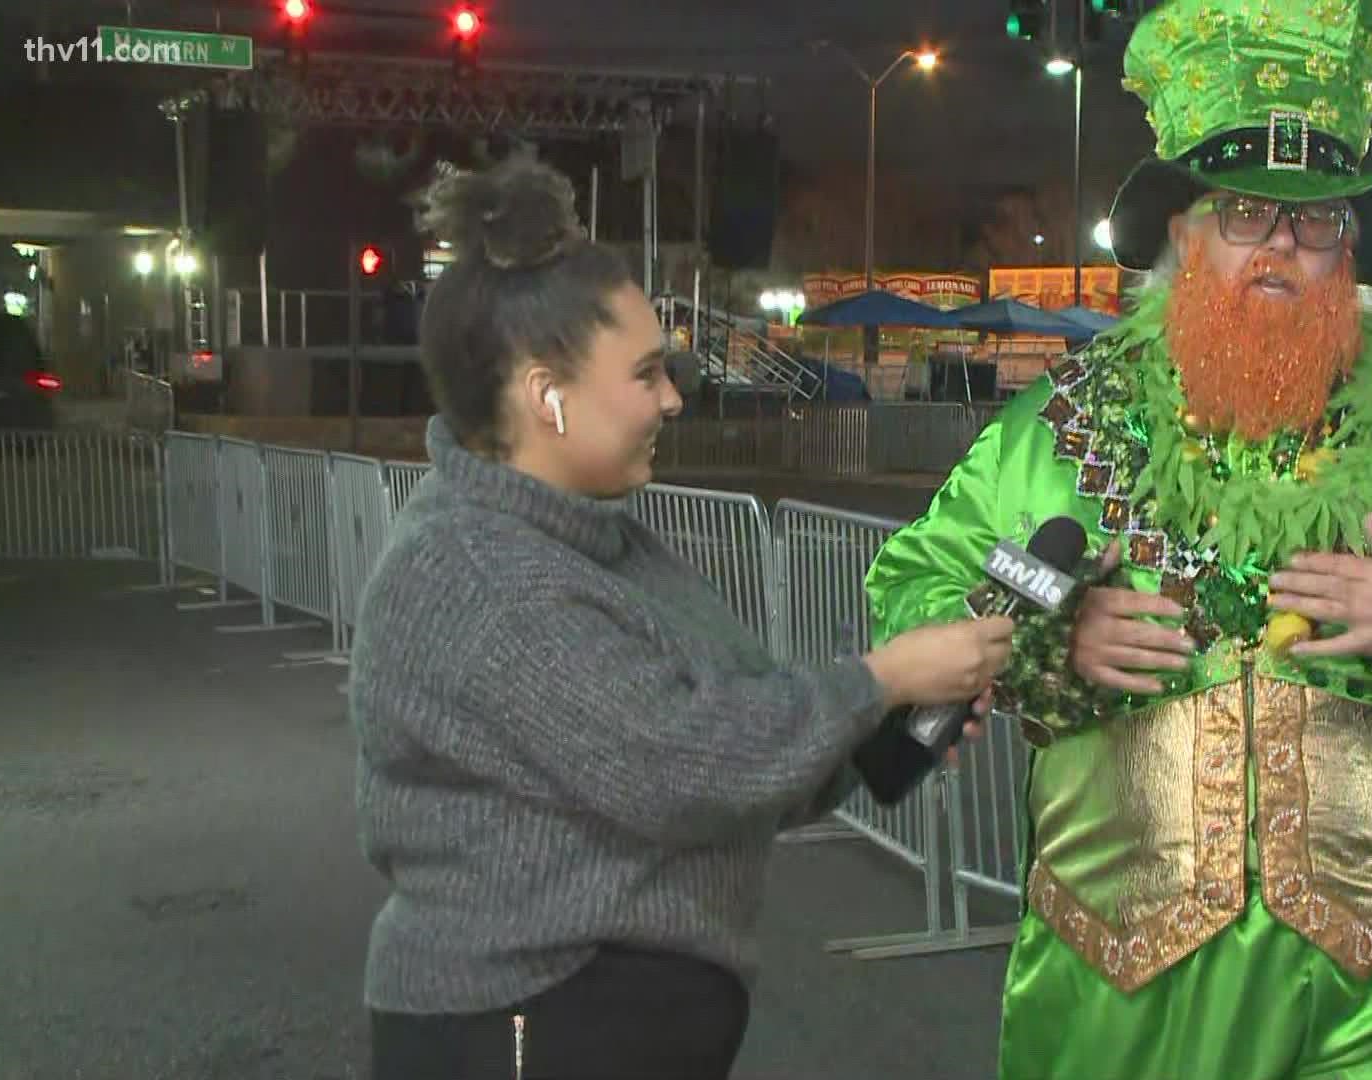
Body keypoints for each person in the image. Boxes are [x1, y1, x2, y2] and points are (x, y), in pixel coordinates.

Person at [863, 1, 1372, 1076]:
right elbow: (913, 589)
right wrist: (1049, 627)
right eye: (1247, 215)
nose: (1279, 250)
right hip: (1114, 1001)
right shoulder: (1060, 436)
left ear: (1348, 252)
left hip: (1361, 1014)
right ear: (1185, 234)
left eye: (1312, 224)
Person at [348, 153, 1013, 1080]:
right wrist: (884, 678)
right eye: (649, 371)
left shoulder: (593, 540)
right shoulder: (478, 575)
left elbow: (739, 741)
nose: (674, 395)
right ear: (547, 394)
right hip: (518, 1028)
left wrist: (883, 728)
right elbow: (684, 762)